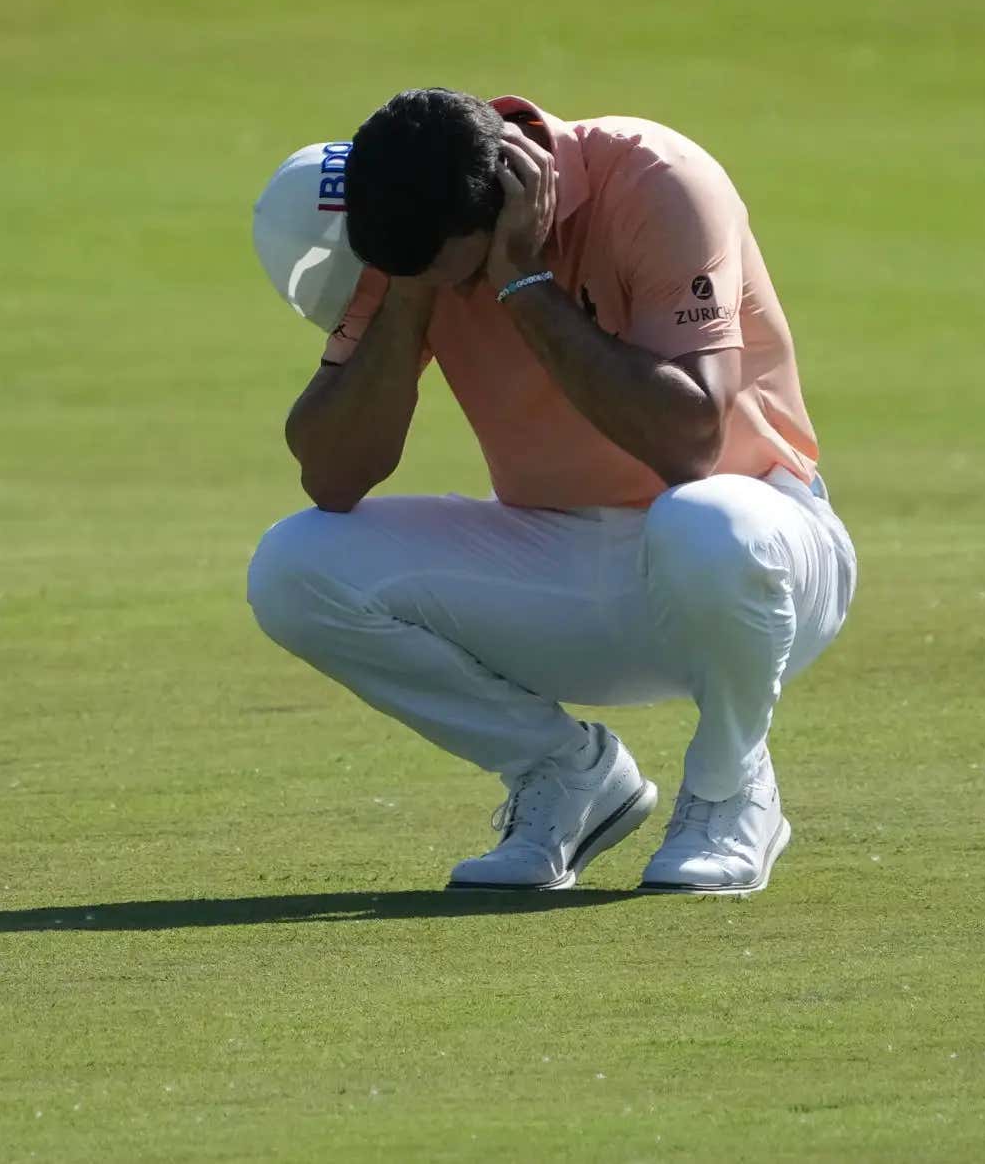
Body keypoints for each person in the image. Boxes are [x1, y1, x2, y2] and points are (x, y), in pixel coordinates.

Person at [245, 88, 857, 895]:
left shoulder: (656, 179)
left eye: (447, 271)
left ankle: (730, 791)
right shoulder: (404, 225)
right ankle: (566, 775)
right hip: (561, 560)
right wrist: (409, 298)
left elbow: (691, 443)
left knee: (704, 521)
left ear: (501, 202)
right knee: (292, 565)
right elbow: (331, 475)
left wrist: (524, 283)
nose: (443, 291)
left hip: (759, 554)